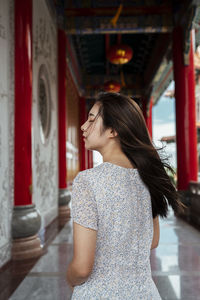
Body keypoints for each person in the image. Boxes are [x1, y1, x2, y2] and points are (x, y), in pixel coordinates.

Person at [66, 92, 181, 299]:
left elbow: (82, 269)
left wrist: (70, 278)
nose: (83, 126)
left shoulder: (87, 181)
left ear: (113, 130)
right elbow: (152, 241)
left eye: (91, 119)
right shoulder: (149, 176)